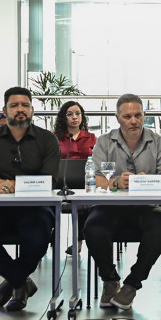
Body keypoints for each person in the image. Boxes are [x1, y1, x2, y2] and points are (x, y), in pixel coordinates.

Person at [85, 93, 161, 310]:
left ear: (144, 115)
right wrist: (117, 181)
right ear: (117, 118)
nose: (134, 121)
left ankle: (132, 284)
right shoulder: (104, 142)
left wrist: (152, 181)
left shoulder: (160, 142)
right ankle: (110, 280)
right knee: (92, 226)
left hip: (146, 207)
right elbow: (94, 178)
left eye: (138, 115)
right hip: (110, 207)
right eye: (127, 116)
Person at [0, 87, 60, 312]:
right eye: (14, 106)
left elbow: (49, 179)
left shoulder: (47, 140)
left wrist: (16, 185)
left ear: (32, 109)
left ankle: (14, 281)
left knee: (38, 237)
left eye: (25, 105)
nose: (20, 110)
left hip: (35, 207)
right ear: (5, 110)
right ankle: (21, 282)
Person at [54, 100, 97, 256]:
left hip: (86, 183)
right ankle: (51, 234)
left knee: (85, 202)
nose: (74, 117)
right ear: (63, 118)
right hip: (60, 183)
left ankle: (78, 241)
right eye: (70, 114)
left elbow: (97, 160)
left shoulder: (91, 137)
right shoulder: (55, 138)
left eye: (78, 114)